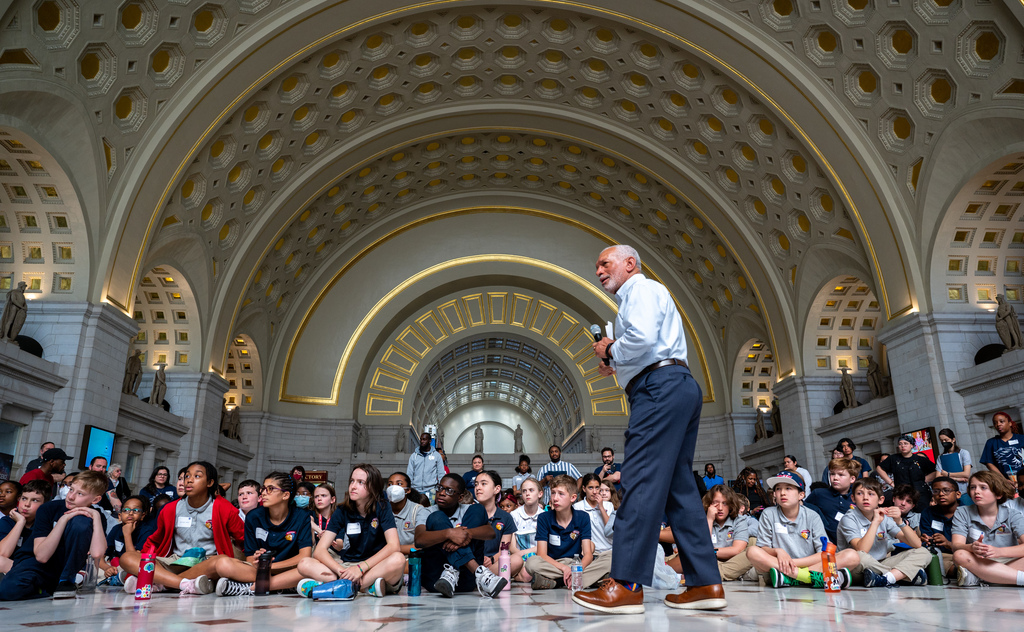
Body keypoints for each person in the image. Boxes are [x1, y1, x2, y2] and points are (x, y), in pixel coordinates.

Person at [575, 245, 724, 615]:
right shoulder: (643, 295)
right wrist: (620, 365)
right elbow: (646, 345)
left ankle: (625, 584)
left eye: (604, 262)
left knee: (640, 479)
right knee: (680, 491)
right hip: (675, 384)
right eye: (596, 265)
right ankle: (706, 582)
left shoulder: (639, 289)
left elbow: (639, 339)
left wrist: (612, 352)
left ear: (630, 263)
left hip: (658, 389)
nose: (598, 270)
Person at [118, 461, 245, 596]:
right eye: (187, 476)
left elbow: (243, 538)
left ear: (210, 483)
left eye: (197, 476)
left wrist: (250, 560)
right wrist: (141, 561)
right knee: (127, 558)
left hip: (207, 562)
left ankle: (161, 583)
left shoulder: (224, 508)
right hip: (175, 561)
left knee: (220, 562)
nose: (189, 480)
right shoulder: (170, 509)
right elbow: (155, 540)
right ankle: (184, 584)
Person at [296, 464, 406, 598]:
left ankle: (337, 586)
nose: (353, 486)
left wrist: (361, 569)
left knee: (398, 559)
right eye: (352, 481)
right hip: (348, 566)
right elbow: (319, 550)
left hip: (375, 566)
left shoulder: (383, 506)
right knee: (304, 563)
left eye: (361, 482)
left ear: (373, 487)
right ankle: (362, 587)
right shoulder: (342, 510)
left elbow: (394, 545)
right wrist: (342, 570)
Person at [0, 470, 109, 600]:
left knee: (82, 521)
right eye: (71, 490)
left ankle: (66, 580)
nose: (71, 497)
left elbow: (97, 554)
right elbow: (41, 556)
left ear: (96, 499)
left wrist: (96, 516)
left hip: (63, 567)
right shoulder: (49, 508)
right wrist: (63, 520)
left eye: (80, 494)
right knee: (7, 591)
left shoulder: (95, 516)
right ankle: (45, 589)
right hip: (34, 563)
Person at [745, 471, 858, 589]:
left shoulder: (812, 516)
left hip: (799, 567)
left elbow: (823, 552)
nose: (782, 493)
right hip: (778, 565)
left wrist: (793, 565)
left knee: (852, 555)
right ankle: (810, 578)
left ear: (801, 495)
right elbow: (763, 548)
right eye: (778, 489)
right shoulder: (768, 514)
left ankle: (792, 577)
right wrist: (778, 551)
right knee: (752, 551)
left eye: (788, 488)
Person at [214, 472, 313, 596]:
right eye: (263, 488)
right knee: (223, 565)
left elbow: (304, 556)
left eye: (270, 489)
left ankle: (250, 588)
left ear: (285, 495)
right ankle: (283, 586)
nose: (264, 493)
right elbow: (250, 558)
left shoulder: (301, 517)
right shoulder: (254, 517)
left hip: (288, 569)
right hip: (258, 570)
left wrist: (269, 566)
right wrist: (257, 559)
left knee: (310, 569)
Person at [413, 472, 506, 598]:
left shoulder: (469, 510)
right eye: (440, 488)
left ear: (460, 497)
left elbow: (490, 533)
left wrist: (465, 534)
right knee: (436, 517)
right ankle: (480, 573)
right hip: (438, 579)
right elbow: (419, 539)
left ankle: (454, 568)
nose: (442, 493)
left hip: (466, 578)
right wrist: (449, 533)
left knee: (478, 508)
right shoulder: (426, 511)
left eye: (449, 491)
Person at [838, 478, 931, 587]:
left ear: (881, 500)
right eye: (860, 493)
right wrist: (875, 522)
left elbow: (916, 544)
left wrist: (900, 521)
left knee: (923, 552)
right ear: (853, 498)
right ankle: (901, 576)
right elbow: (862, 550)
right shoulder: (849, 518)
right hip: (857, 567)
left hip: (880, 563)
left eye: (871, 494)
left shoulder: (885, 518)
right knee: (860, 556)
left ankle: (887, 578)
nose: (865, 498)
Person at [525, 475, 610, 591]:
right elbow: (542, 554)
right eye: (553, 493)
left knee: (611, 557)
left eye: (561, 494)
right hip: (554, 564)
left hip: (577, 563)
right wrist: (565, 569)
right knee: (531, 563)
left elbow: (588, 554)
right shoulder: (543, 518)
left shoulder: (583, 517)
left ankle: (557, 582)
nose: (555, 498)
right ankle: (588, 580)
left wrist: (576, 570)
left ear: (573, 497)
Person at [951, 470, 1024, 586]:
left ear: (998, 494)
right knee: (959, 555)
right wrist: (971, 547)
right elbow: (956, 546)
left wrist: (998, 551)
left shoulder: (1012, 514)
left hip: (1008, 559)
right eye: (973, 487)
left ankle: (983, 577)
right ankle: (1018, 579)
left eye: (983, 488)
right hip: (980, 562)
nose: (976, 492)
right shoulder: (962, 512)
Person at [803, 457, 860, 544]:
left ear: (852, 479)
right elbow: (802, 511)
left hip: (852, 543)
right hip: (825, 544)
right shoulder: (818, 494)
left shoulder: (858, 497)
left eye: (840, 475)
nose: (835, 478)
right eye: (832, 474)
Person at [99, 495, 155, 582]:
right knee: (97, 572)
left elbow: (134, 559)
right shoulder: (116, 529)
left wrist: (127, 534)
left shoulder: (146, 531)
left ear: (142, 515)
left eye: (136, 510)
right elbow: (100, 556)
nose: (130, 513)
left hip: (137, 565)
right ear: (120, 516)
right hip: (117, 564)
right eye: (126, 510)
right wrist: (107, 568)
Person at [702, 485, 752, 581]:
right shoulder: (704, 519)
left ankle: (710, 573)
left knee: (752, 552)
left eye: (725, 503)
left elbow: (736, 550)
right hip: (711, 561)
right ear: (709, 505)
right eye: (715, 503)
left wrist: (710, 551)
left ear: (730, 505)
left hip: (734, 561)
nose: (720, 508)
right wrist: (709, 520)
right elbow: (702, 546)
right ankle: (721, 573)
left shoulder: (739, 520)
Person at [475, 471, 519, 578]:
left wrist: (491, 559)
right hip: (472, 562)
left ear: (497, 489)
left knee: (516, 560)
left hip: (493, 563)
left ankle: (482, 578)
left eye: (483, 484)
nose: (478, 488)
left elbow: (504, 549)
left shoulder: (506, 517)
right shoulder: (469, 513)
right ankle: (484, 578)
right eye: (476, 484)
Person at [0, 480, 50, 575]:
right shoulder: (8, 521)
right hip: (13, 569)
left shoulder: (47, 524)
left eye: (35, 500)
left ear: (45, 505)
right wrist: (20, 522)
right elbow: (2, 554)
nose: (27, 504)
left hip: (38, 570)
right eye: (24, 498)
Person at [876, 435, 936, 512]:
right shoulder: (894, 458)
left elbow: (936, 470)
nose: (903, 446)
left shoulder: (920, 459)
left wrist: (924, 479)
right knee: (902, 514)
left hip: (920, 492)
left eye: (905, 443)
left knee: (923, 513)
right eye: (900, 444)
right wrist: (890, 482)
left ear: (911, 445)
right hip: (901, 492)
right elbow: (879, 468)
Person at [573, 474, 615, 580]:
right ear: (584, 489)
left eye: (597, 488)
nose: (595, 491)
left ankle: (591, 577)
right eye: (590, 488)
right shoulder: (577, 508)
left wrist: (601, 507)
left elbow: (610, 529)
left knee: (613, 560)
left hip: (608, 551)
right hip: (590, 553)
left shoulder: (608, 505)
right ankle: (600, 577)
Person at [918, 476, 960, 578]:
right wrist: (926, 540)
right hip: (940, 555)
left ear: (958, 494)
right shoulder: (927, 513)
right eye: (936, 491)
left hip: (963, 553)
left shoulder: (967, 512)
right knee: (934, 561)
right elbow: (926, 539)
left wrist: (948, 544)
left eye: (946, 490)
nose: (941, 494)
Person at [509, 477, 544, 582]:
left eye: (531, 490)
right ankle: (516, 576)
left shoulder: (545, 516)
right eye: (524, 491)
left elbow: (543, 546)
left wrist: (528, 554)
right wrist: (521, 556)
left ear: (540, 494)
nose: (527, 493)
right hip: (519, 558)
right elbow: (512, 546)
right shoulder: (514, 515)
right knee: (526, 574)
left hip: (538, 557)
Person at [980, 411, 1024, 487]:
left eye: (1001, 421)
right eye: (995, 423)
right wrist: (1003, 480)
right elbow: (989, 463)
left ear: (1010, 423)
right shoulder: (991, 442)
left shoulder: (1021, 439)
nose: (998, 424)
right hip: (1005, 482)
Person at [386, 472, 426, 555]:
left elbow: (421, 546)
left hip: (412, 559)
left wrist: (392, 548)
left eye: (399, 484)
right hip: (386, 559)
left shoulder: (417, 510)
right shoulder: (382, 510)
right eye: (390, 484)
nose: (393, 487)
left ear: (408, 490)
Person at [935, 428, 972, 502]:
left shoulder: (963, 453)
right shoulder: (940, 457)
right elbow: (938, 476)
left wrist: (947, 474)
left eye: (946, 440)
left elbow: (966, 474)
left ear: (953, 439)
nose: (944, 442)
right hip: (948, 492)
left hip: (964, 491)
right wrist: (958, 479)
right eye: (942, 441)